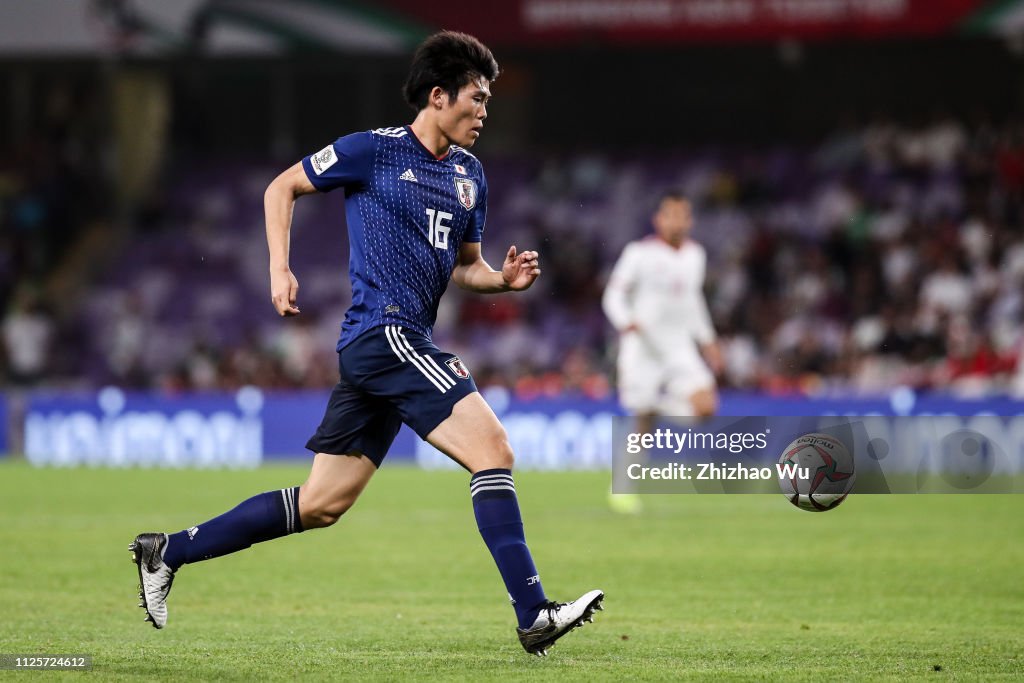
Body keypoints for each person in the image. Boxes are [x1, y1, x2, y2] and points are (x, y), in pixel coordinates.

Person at [129, 31, 602, 657]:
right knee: (493, 448)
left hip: (393, 345)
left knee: (323, 503)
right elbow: (281, 188)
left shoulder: (469, 177)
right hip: (384, 335)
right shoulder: (372, 152)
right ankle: (533, 612)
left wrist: (502, 280)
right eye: (478, 98)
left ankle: (168, 552)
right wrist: (280, 267)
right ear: (439, 96)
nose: (486, 112)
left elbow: (467, 267)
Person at [602, 191, 722, 511]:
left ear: (690, 220)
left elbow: (693, 300)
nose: (677, 221)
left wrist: (707, 339)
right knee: (641, 423)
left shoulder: (696, 255)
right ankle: (623, 491)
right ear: (659, 219)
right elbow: (612, 296)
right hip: (642, 348)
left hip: (679, 346)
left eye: (683, 215)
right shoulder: (639, 253)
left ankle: (653, 407)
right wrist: (626, 322)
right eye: (671, 214)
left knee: (706, 407)